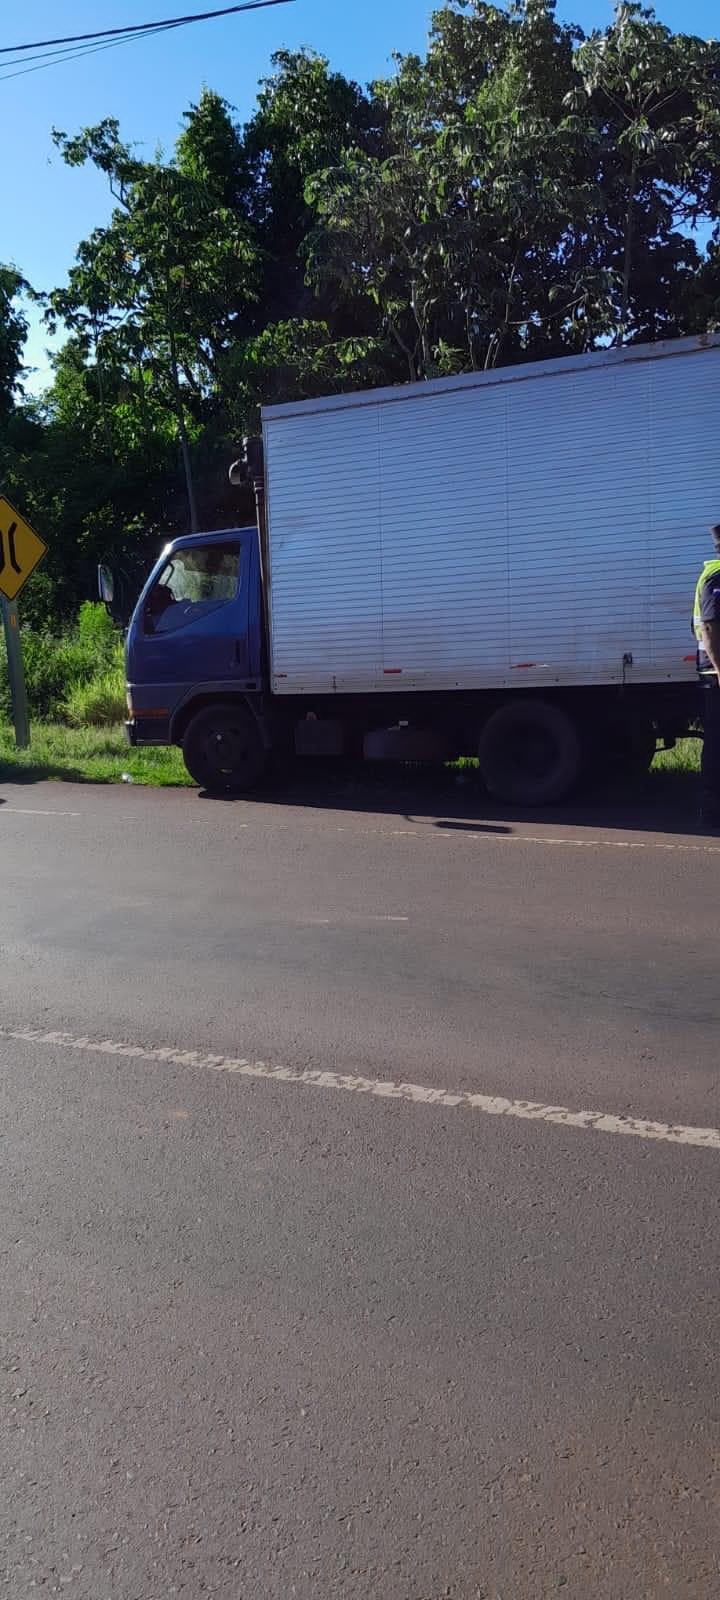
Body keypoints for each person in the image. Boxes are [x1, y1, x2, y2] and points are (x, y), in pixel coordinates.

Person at [693, 525, 720, 825]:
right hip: (716, 674)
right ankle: (712, 811)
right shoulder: (717, 576)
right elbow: (710, 629)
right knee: (717, 742)